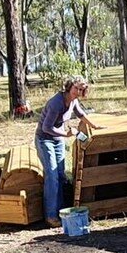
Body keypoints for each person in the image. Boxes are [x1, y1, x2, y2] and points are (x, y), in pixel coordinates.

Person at [35, 75, 104, 228]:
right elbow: (46, 128)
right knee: (52, 176)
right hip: (44, 140)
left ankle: (61, 212)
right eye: (75, 88)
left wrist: (94, 126)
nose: (77, 92)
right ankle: (51, 216)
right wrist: (65, 134)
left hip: (58, 139)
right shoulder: (56, 103)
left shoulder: (73, 102)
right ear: (69, 87)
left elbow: (81, 114)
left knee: (61, 175)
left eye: (81, 89)